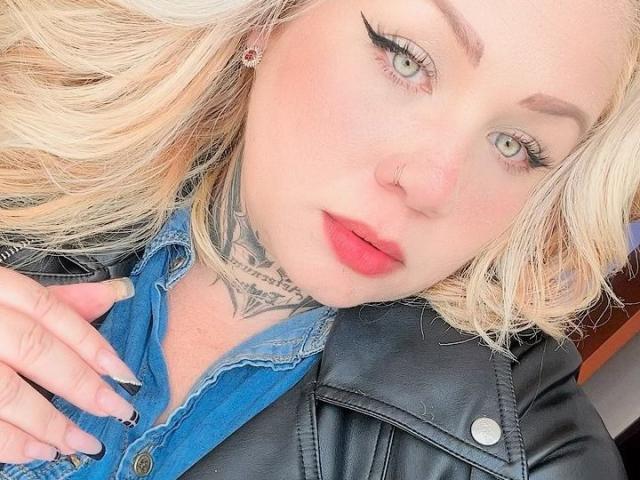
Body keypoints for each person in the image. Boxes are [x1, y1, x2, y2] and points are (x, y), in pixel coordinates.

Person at [0, 0, 637, 478]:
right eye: (406, 59)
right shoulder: (24, 156)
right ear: (267, 18)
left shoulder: (530, 454)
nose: (428, 185)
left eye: (516, 145)